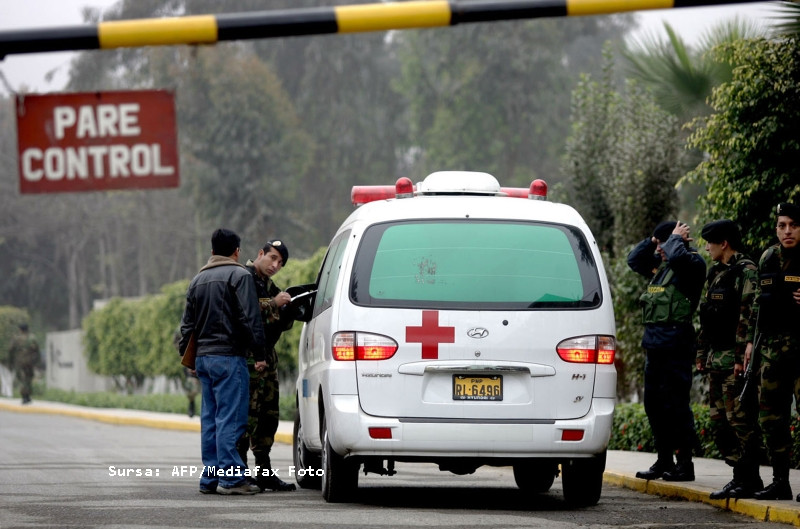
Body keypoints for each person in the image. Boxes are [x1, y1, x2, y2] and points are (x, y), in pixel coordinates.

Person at [179, 228, 268, 496]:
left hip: (204, 360)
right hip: (229, 357)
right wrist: (261, 354)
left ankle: (210, 478)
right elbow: (250, 318)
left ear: (212, 251)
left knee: (211, 419)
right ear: (237, 251)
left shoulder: (197, 280)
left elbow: (187, 326)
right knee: (230, 418)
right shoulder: (240, 275)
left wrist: (191, 357)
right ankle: (231, 479)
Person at [628, 220, 706, 482]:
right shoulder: (660, 269)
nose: (660, 250)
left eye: (664, 245)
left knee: (676, 407)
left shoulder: (691, 266)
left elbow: (676, 256)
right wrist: (653, 239)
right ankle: (664, 461)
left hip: (676, 347)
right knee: (654, 406)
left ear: (678, 241)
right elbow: (634, 260)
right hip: (654, 347)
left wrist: (674, 240)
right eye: (659, 245)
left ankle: (685, 464)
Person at [695, 220, 762, 499]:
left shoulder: (746, 271)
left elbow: (748, 316)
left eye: (710, 242)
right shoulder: (716, 274)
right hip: (715, 359)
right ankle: (738, 475)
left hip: (734, 361)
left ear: (724, 243)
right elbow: (706, 315)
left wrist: (739, 358)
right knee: (719, 420)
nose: (706, 247)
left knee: (740, 421)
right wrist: (701, 353)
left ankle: (750, 478)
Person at [747, 203, 800, 501]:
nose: (787, 231)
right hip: (772, 353)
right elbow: (758, 303)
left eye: (793, 224)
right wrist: (751, 344)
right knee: (771, 418)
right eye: (782, 225)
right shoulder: (768, 257)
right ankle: (781, 482)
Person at [238, 239, 297, 492]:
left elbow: (278, 323)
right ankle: (238, 472)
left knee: (268, 417)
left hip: (268, 360)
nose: (275, 265)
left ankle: (264, 472)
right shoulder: (243, 277)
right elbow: (243, 309)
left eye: (280, 263)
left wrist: (290, 309)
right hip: (248, 359)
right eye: (272, 258)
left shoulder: (272, 286)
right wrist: (274, 304)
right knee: (245, 417)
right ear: (260, 253)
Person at [8, 323, 39, 404]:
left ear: (20, 330)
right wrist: (36, 361)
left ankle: (24, 397)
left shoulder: (16, 338)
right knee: (28, 378)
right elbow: (37, 351)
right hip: (29, 362)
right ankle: (27, 396)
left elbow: (10, 350)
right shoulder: (32, 338)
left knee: (22, 379)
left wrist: (10, 362)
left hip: (19, 362)